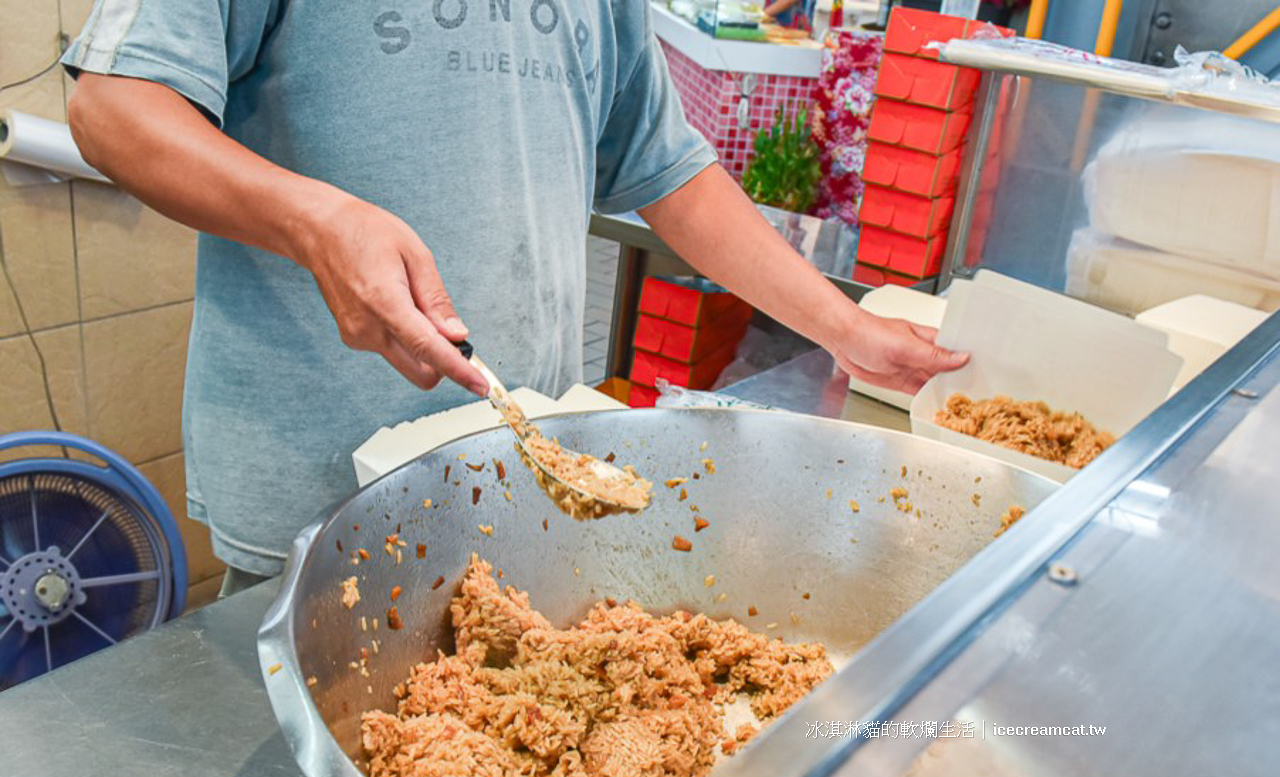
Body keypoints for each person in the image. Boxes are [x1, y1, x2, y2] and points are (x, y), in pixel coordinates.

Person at [64, 2, 967, 592]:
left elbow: (668, 167)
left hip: (516, 479)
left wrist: (845, 328)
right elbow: (113, 106)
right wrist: (316, 221)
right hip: (317, 494)